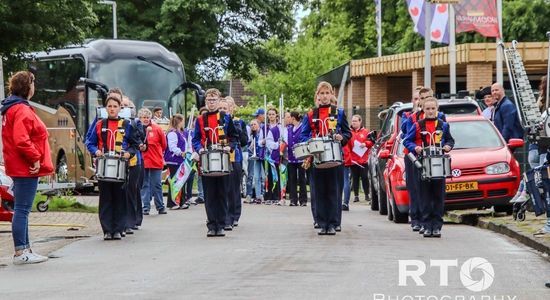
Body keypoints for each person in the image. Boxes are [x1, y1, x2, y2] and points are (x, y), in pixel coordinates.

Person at [1, 71, 53, 264]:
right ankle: (20, 252)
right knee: (22, 210)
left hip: (18, 165)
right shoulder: (21, 110)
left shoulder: (11, 108)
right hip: (26, 167)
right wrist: (35, 158)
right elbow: (22, 140)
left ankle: (26, 249)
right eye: (33, 83)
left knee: (22, 209)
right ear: (27, 86)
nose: (35, 86)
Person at [300, 81, 351, 235]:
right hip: (318, 157)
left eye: (327, 93)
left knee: (334, 191)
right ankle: (322, 223)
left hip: (335, 157)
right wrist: (312, 140)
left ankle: (334, 223)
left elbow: (348, 134)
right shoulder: (310, 114)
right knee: (320, 191)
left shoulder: (339, 113)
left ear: (331, 95)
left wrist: (340, 137)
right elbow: (303, 135)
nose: (324, 96)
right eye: (321, 93)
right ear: (318, 96)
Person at [404, 96, 454, 238]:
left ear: (437, 109)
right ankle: (426, 225)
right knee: (424, 195)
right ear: (423, 110)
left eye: (433, 108)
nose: (431, 111)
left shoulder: (443, 125)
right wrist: (416, 147)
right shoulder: (418, 125)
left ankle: (437, 226)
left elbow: (450, 140)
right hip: (423, 164)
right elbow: (407, 141)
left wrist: (448, 146)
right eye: (428, 109)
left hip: (439, 163)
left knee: (438, 196)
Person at [86, 95, 134, 240]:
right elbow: (90, 142)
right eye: (110, 106)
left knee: (120, 198)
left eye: (115, 106)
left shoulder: (126, 124)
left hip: (120, 166)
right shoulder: (100, 124)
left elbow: (134, 145)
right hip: (103, 165)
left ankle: (118, 229)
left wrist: (128, 154)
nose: (112, 109)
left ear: (120, 108)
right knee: (106, 198)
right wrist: (96, 151)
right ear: (106, 108)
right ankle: (107, 230)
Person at [192, 88, 238, 237]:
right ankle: (212, 225)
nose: (211, 103)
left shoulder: (225, 117)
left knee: (223, 193)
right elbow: (195, 139)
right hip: (207, 158)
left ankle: (222, 224)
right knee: (210, 194)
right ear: (205, 102)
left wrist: (229, 147)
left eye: (214, 100)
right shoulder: (200, 119)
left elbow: (234, 137)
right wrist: (199, 150)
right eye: (209, 100)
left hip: (223, 158)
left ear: (219, 101)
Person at [222, 97, 248, 229]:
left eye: (227, 107)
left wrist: (236, 129)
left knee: (233, 188)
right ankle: (223, 215)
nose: (224, 110)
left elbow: (244, 141)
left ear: (232, 108)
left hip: (234, 157)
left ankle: (234, 214)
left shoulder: (238, 121)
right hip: (220, 157)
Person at [121, 96, 145, 234]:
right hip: (119, 160)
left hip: (134, 160)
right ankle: (125, 220)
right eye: (122, 106)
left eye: (127, 106)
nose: (125, 109)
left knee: (133, 190)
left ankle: (134, 220)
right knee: (123, 191)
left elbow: (138, 139)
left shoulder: (135, 123)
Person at [139, 108, 168, 215]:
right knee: (145, 184)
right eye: (143, 117)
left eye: (147, 117)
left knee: (157, 184)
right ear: (140, 118)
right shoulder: (137, 129)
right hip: (143, 160)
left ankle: (160, 206)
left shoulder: (157, 129)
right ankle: (145, 207)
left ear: (150, 117)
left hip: (155, 160)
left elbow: (164, 144)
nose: (145, 119)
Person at [164, 114, 190, 210]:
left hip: (180, 160)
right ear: (179, 122)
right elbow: (172, 147)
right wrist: (180, 152)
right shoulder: (172, 133)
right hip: (174, 160)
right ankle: (173, 202)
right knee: (175, 181)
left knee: (181, 181)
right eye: (182, 121)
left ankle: (181, 201)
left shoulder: (181, 133)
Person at [347, 115, 373, 204]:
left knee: (365, 177)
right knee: (355, 178)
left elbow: (371, 141)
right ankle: (356, 196)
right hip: (353, 160)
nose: (353, 123)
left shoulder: (365, 132)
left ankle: (367, 195)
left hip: (363, 159)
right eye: (352, 121)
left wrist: (365, 144)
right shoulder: (349, 132)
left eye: (355, 121)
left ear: (360, 122)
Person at [265, 108, 286, 205]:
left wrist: (278, 145)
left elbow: (284, 141)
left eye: (273, 114)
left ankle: (278, 195)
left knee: (279, 175)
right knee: (269, 175)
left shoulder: (281, 128)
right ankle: (269, 195)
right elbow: (263, 142)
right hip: (268, 155)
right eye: (269, 114)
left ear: (276, 115)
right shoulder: (264, 127)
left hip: (279, 154)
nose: (271, 116)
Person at [286, 111, 308, 206]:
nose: (288, 119)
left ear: (293, 118)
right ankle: (293, 199)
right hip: (291, 157)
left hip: (301, 156)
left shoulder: (303, 127)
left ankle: (303, 200)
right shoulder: (289, 128)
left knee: (302, 178)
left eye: (289, 117)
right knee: (292, 179)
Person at [246, 119, 265, 204]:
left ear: (259, 125)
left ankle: (263, 194)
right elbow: (249, 148)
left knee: (264, 177)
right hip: (256, 158)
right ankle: (258, 196)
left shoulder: (262, 133)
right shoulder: (252, 136)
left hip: (263, 157)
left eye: (254, 124)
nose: (253, 126)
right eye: (251, 125)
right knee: (256, 177)